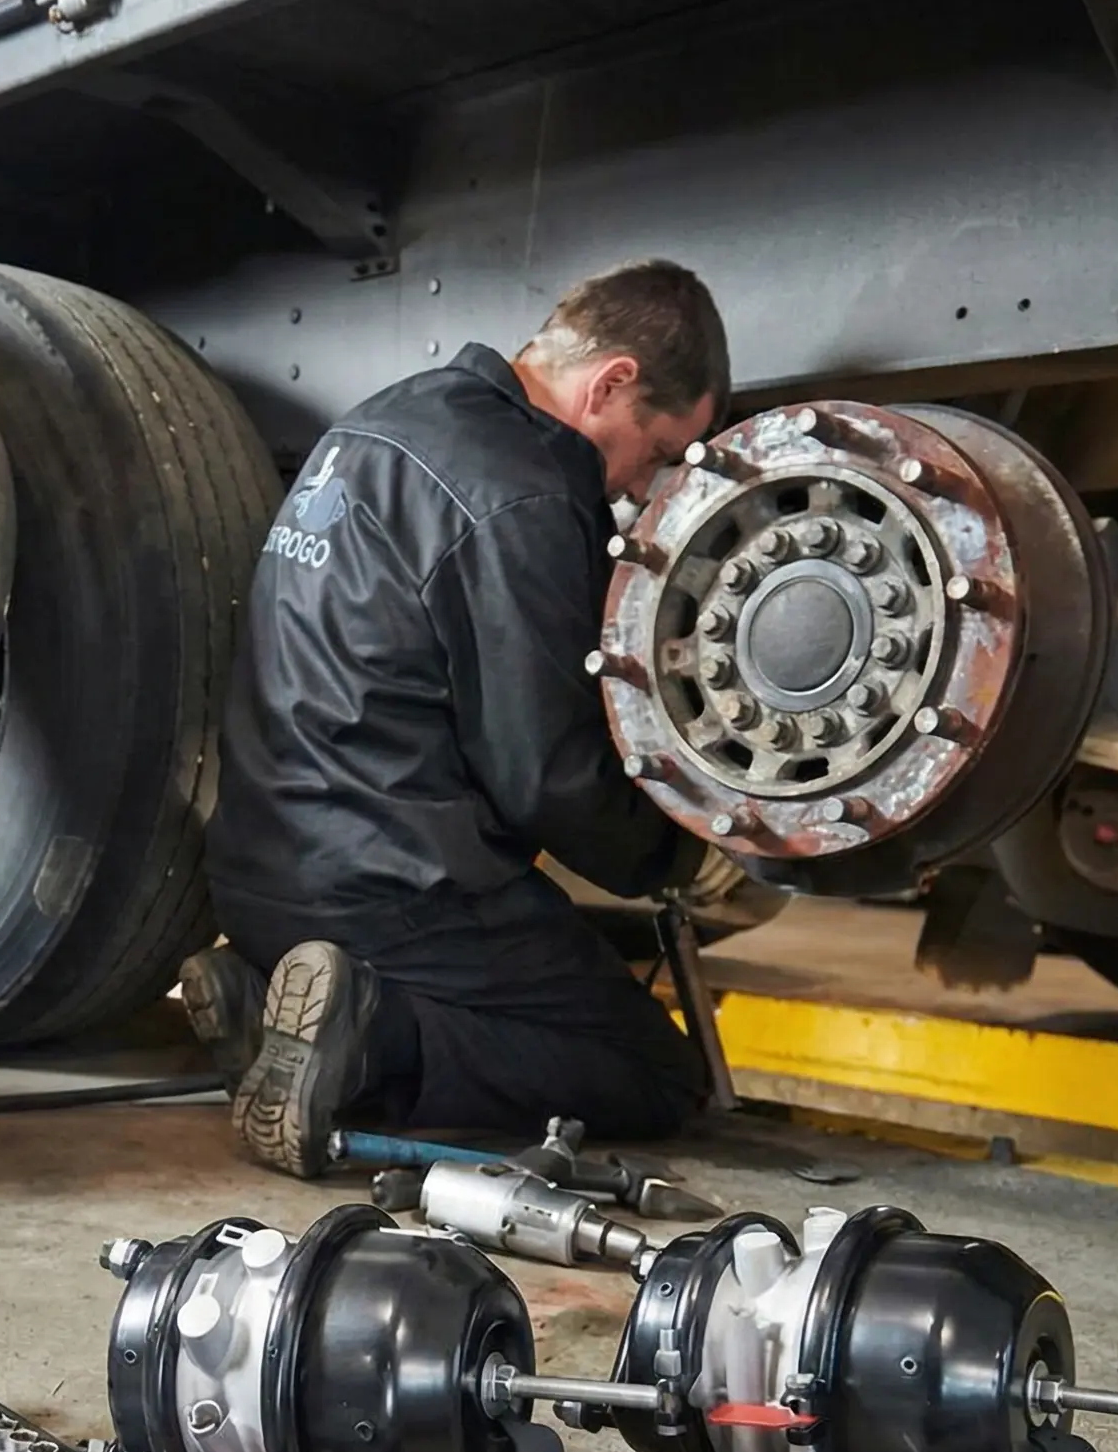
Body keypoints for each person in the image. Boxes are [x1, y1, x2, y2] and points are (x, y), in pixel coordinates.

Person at [181, 259, 739, 1178]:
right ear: (612, 384)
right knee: (655, 1072)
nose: (649, 484)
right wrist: (686, 857)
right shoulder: (520, 491)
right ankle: (371, 1037)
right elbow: (546, 776)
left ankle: (264, 993)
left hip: (259, 871)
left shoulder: (383, 419)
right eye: (663, 448)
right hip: (389, 892)